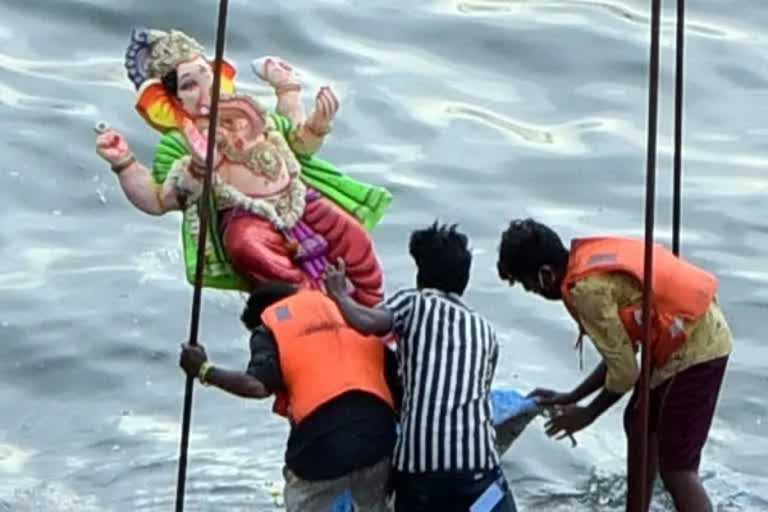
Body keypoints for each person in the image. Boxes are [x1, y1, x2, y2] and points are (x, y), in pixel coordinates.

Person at [495, 218, 733, 512]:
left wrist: (588, 414)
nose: (534, 292)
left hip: (696, 348)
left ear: (545, 275)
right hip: (691, 333)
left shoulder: (586, 291)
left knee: (677, 468)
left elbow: (625, 374)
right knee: (638, 422)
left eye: (529, 286)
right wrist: (572, 397)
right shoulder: (585, 266)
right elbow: (619, 356)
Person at [323, 221, 517, 512]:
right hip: (477, 473)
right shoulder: (485, 330)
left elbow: (368, 323)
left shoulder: (414, 303)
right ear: (463, 278)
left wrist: (339, 295)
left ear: (421, 274)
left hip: (420, 474)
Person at [179, 281, 399, 512]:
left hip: (322, 441)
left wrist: (204, 370)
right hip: (378, 436)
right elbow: (399, 381)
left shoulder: (270, 323)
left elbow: (256, 386)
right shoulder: (349, 312)